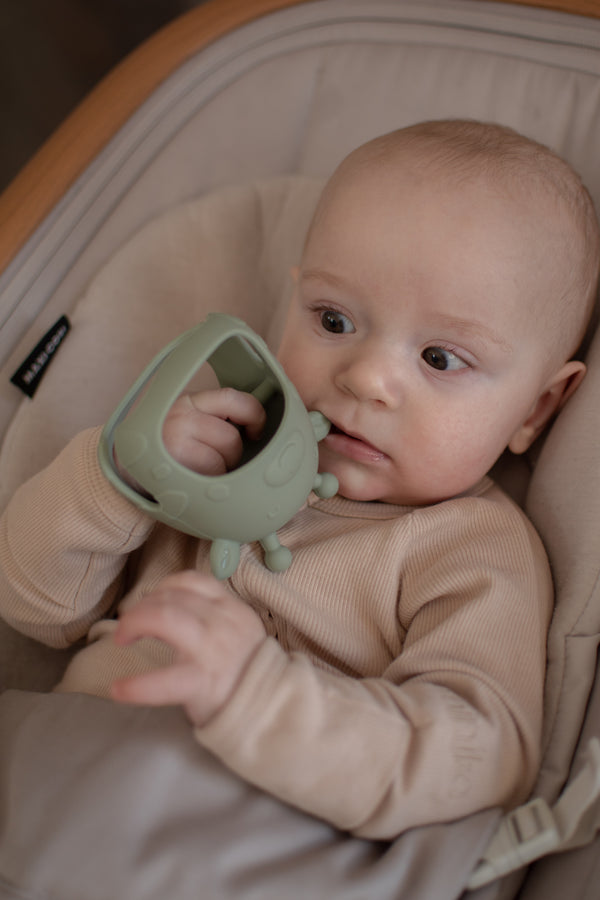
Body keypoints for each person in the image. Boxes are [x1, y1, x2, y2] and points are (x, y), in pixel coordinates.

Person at [0, 120, 598, 840]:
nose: (367, 376)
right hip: (52, 788)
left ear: (534, 410)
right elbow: (31, 609)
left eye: (441, 359)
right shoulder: (216, 452)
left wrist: (258, 698)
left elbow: (478, 758)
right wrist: (118, 479)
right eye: (334, 318)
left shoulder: (470, 548)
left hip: (234, 849)